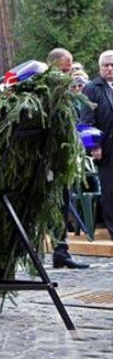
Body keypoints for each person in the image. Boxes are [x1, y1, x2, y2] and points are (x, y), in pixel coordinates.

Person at [47, 48, 89, 269]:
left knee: (63, 203)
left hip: (64, 157)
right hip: (48, 159)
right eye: (65, 68)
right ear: (54, 66)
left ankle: (60, 251)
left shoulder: (67, 91)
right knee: (51, 205)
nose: (69, 72)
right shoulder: (47, 91)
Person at [81, 50, 113, 244]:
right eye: (106, 66)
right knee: (110, 191)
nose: (110, 68)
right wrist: (94, 147)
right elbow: (85, 122)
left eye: (112, 65)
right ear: (100, 68)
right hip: (106, 148)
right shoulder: (92, 89)